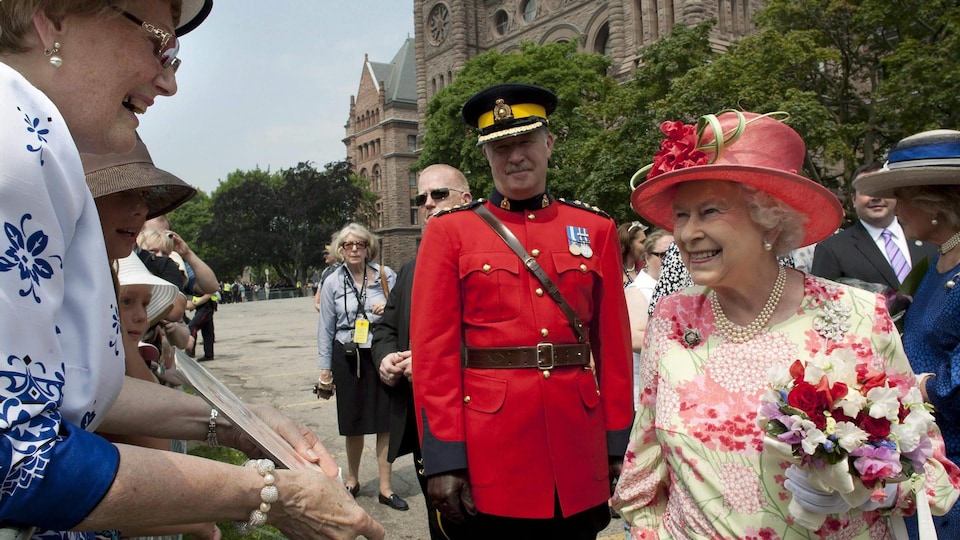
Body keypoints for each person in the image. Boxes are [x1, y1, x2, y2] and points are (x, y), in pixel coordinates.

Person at [0, 2, 384, 539]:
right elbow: (22, 461)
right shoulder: (14, 146)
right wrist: (273, 494)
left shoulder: (32, 138)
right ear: (52, 17)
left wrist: (238, 424)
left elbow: (78, 392)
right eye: (159, 42)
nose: (168, 80)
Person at [612, 109, 960, 538]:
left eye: (709, 211)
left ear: (769, 219)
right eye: (681, 215)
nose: (687, 233)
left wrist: (873, 486)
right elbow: (642, 475)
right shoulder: (671, 319)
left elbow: (931, 471)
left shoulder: (855, 315)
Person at [410, 83, 634, 539]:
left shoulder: (596, 228)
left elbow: (612, 349)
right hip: (492, 452)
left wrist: (618, 444)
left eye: (525, 142)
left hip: (577, 446)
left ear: (548, 143)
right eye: (500, 146)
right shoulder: (450, 233)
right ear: (487, 157)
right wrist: (444, 458)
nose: (515, 156)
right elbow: (434, 357)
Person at [854, 128, 960, 538]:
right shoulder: (937, 261)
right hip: (926, 454)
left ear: (934, 202)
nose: (897, 210)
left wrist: (920, 389)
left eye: (903, 197)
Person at [372, 163, 472, 539]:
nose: (427, 204)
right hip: (424, 427)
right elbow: (384, 327)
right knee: (442, 525)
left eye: (438, 195)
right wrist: (385, 358)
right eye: (421, 198)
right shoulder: (412, 268)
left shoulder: (489, 260)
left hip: (476, 421)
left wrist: (434, 363)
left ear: (466, 200)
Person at [316, 223, 408, 511]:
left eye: (360, 244)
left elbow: (402, 311)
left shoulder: (385, 275)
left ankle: (385, 487)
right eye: (348, 245)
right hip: (347, 356)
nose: (354, 249)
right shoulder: (332, 280)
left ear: (369, 247)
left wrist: (389, 304)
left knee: (385, 423)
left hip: (382, 353)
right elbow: (325, 327)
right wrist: (324, 369)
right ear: (340, 249)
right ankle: (353, 481)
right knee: (353, 422)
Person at [812, 162, 936, 290]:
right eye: (867, 191)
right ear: (854, 200)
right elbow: (821, 302)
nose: (876, 197)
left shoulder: (928, 237)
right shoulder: (832, 249)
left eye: (882, 190)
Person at [623, 228, 673, 403]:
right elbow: (635, 339)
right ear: (646, 258)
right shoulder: (638, 291)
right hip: (644, 395)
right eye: (664, 255)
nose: (673, 260)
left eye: (677, 253)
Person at [620, 221, 648, 287]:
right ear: (629, 244)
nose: (646, 246)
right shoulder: (616, 273)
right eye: (642, 242)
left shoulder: (643, 268)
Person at [314, 243, 341, 311]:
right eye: (324, 254)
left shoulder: (344, 270)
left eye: (327, 253)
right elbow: (320, 290)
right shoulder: (326, 271)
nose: (325, 256)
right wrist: (316, 304)